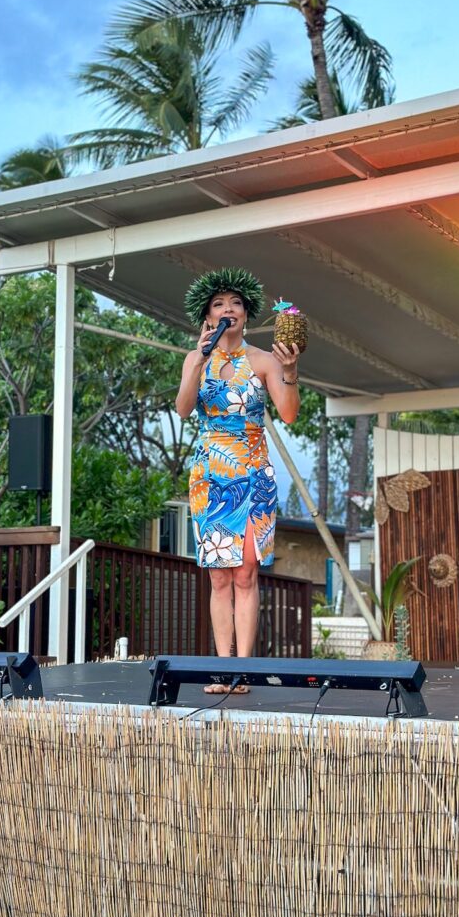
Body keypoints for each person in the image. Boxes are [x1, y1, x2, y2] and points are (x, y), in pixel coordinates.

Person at [175, 267, 300, 693]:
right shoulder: (197, 358)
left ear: (246, 316)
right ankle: (223, 668)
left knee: (246, 573)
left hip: (253, 471)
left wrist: (291, 372)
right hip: (211, 473)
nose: (229, 310)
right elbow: (183, 408)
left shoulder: (264, 360)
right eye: (219, 305)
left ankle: (242, 671)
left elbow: (288, 414)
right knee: (219, 576)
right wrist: (200, 361)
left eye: (236, 305)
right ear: (207, 317)